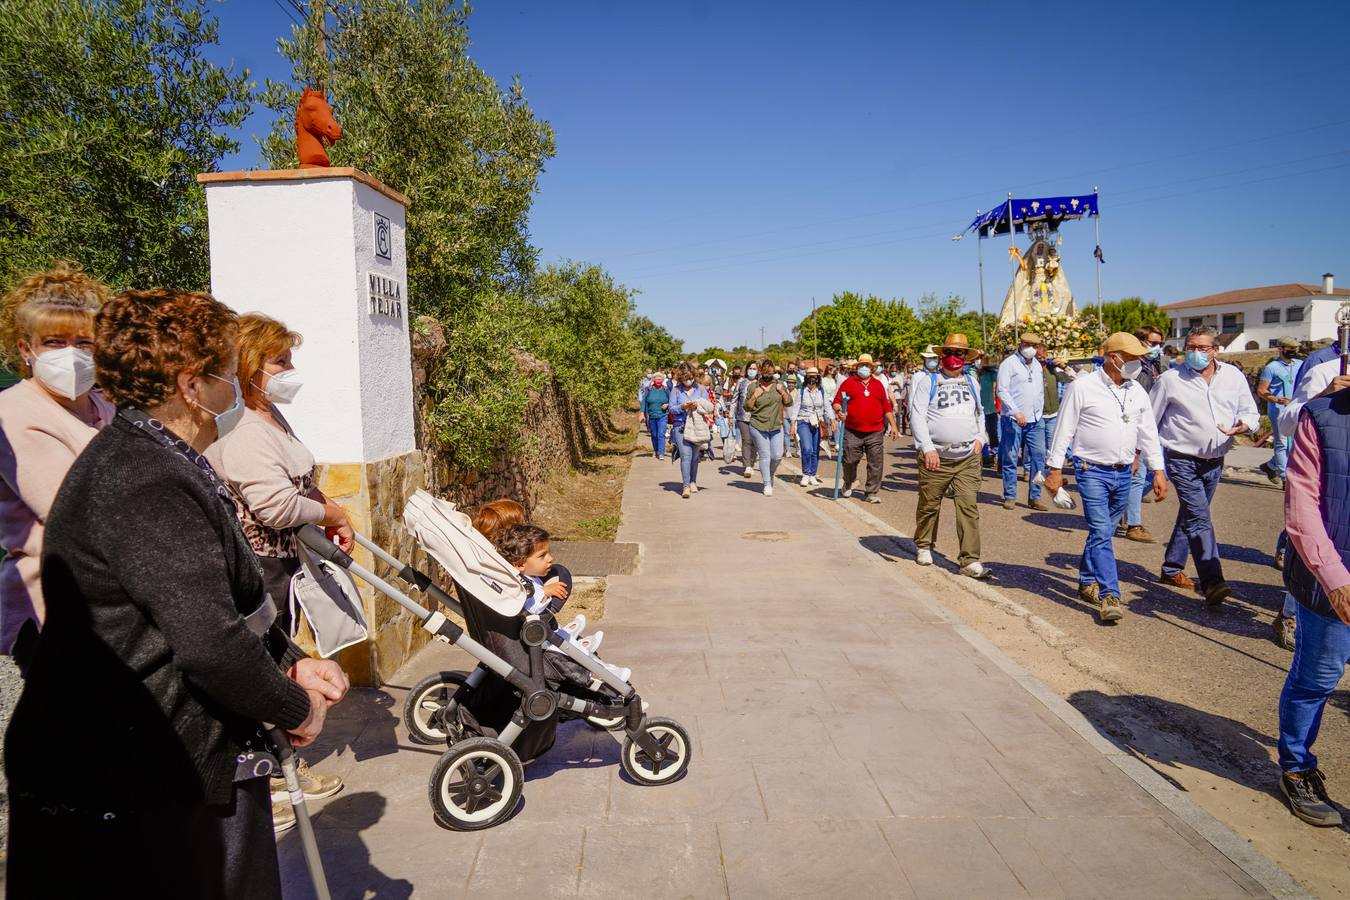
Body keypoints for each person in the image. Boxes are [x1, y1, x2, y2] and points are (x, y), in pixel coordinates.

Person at [5, 289, 348, 897]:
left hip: (159, 755)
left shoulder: (161, 457)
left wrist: (294, 665)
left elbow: (226, 606)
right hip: (132, 767)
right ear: (193, 385)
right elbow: (209, 644)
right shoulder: (144, 478)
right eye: (224, 367)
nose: (234, 384)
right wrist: (298, 710)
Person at [203, 314, 352, 807]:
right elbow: (277, 506)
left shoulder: (271, 419)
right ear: (249, 367)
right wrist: (333, 510)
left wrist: (333, 514)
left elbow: (299, 484)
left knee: (279, 654)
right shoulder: (244, 431)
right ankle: (274, 768)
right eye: (280, 360)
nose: (290, 369)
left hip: (281, 562)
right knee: (266, 663)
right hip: (260, 567)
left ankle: (277, 757)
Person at [0, 263, 116, 675]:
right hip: (56, 604)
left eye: (84, 342)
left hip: (112, 601)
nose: (72, 354)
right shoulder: (14, 412)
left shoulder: (104, 405)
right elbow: (72, 509)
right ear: (26, 348)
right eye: (54, 341)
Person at [1044, 333, 1167, 623]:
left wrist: (1158, 469)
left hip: (1124, 472)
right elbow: (1064, 429)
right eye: (1133, 358)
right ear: (1114, 357)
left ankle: (1087, 580)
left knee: (1104, 533)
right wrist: (1054, 469)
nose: (1138, 363)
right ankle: (1110, 594)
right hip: (1091, 471)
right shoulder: (1082, 387)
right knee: (1101, 531)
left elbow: (1148, 431)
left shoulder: (1136, 390)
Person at [1274, 386, 1350, 827]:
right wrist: (1337, 581)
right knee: (1317, 679)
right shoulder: (1321, 417)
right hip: (1331, 582)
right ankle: (1297, 768)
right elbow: (1302, 507)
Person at [1149, 326, 1259, 605]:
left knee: (1192, 515)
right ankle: (1212, 582)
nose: (1196, 353)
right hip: (1181, 458)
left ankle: (1172, 567)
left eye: (1203, 348)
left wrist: (1243, 425)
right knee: (1199, 518)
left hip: (1215, 460)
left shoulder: (1232, 376)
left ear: (1215, 350)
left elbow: (1250, 411)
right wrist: (1152, 464)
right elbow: (1150, 422)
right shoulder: (1170, 380)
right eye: (1191, 347)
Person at [909, 333, 989, 579]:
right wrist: (927, 447)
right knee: (929, 504)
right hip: (937, 456)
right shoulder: (928, 381)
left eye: (960, 354)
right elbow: (917, 416)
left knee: (968, 506)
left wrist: (980, 437)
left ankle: (970, 559)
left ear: (966, 358)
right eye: (950, 353)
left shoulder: (972, 382)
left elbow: (980, 413)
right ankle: (924, 544)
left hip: (967, 456)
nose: (955, 358)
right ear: (942, 356)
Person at [1119, 326, 1168, 542]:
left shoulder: (1152, 366)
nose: (1157, 347)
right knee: (1138, 478)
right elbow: (1135, 407)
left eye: (1160, 343)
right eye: (1153, 343)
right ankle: (1133, 524)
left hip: (1149, 428)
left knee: (1144, 476)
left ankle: (1124, 513)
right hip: (1137, 429)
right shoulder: (1137, 370)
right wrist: (1137, 446)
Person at [832, 353, 898, 503]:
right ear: (857, 367)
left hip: (875, 431)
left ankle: (871, 492)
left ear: (871, 368)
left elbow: (886, 407)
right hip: (852, 430)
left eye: (867, 366)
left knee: (876, 462)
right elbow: (836, 401)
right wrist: (839, 411)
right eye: (861, 365)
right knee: (849, 460)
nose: (864, 368)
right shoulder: (849, 383)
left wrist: (893, 426)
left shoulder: (878, 385)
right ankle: (849, 482)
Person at [996, 331, 1048, 511]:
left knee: (1039, 457)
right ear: (1021, 344)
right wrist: (1016, 412)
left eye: (1035, 346)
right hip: (1013, 419)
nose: (1031, 349)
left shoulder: (1038, 366)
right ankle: (1010, 495)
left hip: (1035, 419)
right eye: (1028, 345)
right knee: (1010, 457)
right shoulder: (1008, 364)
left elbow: (1039, 391)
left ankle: (1035, 496)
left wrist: (1039, 411)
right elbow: (1002, 391)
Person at [1257, 337, 1303, 486]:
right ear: (1281, 349)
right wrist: (1276, 399)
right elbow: (1261, 390)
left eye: (1295, 349)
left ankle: (1270, 466)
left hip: (1295, 408)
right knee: (1282, 443)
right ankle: (1285, 478)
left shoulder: (1301, 365)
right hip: (1278, 410)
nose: (1293, 352)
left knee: (1295, 443)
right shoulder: (1271, 367)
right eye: (1290, 349)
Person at [745, 360, 792, 496]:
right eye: (765, 373)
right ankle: (767, 484)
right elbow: (747, 407)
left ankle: (770, 474)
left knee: (777, 455)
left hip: (776, 425)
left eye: (770, 373)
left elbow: (789, 402)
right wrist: (755, 396)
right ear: (760, 373)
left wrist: (782, 392)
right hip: (758, 425)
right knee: (765, 455)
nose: (767, 376)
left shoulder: (779, 385)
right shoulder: (753, 387)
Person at [669, 364, 713, 498]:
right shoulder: (676, 390)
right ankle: (686, 485)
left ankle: (693, 480)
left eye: (690, 377)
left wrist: (697, 404)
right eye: (685, 378)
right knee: (686, 455)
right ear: (681, 378)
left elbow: (708, 407)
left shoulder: (701, 389)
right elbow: (671, 408)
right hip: (680, 426)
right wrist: (682, 406)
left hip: (696, 426)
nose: (688, 380)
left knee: (694, 456)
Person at [795, 367, 833, 486]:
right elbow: (795, 408)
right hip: (803, 421)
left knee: (815, 451)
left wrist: (832, 420)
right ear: (806, 377)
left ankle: (812, 474)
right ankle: (805, 474)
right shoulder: (801, 391)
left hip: (818, 423)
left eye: (814, 375)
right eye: (810, 375)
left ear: (818, 377)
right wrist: (792, 424)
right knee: (807, 448)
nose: (812, 378)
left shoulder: (822, 391)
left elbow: (827, 406)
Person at [735, 361, 760, 476]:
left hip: (757, 416)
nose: (752, 370)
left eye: (754, 368)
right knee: (746, 440)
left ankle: (752, 462)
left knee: (755, 441)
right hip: (742, 416)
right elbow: (735, 399)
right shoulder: (741, 382)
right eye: (750, 368)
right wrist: (731, 416)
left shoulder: (760, 384)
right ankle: (747, 466)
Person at [977, 355, 1000, 468]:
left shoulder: (991, 374)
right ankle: (985, 456)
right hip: (978, 410)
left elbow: (998, 378)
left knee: (993, 433)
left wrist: (992, 368)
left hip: (990, 409)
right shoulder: (977, 373)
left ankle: (994, 454)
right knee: (981, 433)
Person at [642, 374, 670, 458]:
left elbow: (672, 400)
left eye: (660, 379)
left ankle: (661, 453)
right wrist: (641, 413)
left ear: (662, 380)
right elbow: (644, 401)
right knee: (654, 434)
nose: (658, 381)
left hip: (663, 415)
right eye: (656, 379)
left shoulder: (666, 390)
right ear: (653, 380)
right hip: (651, 415)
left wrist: (667, 405)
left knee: (661, 434)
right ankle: (656, 450)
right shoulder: (649, 389)